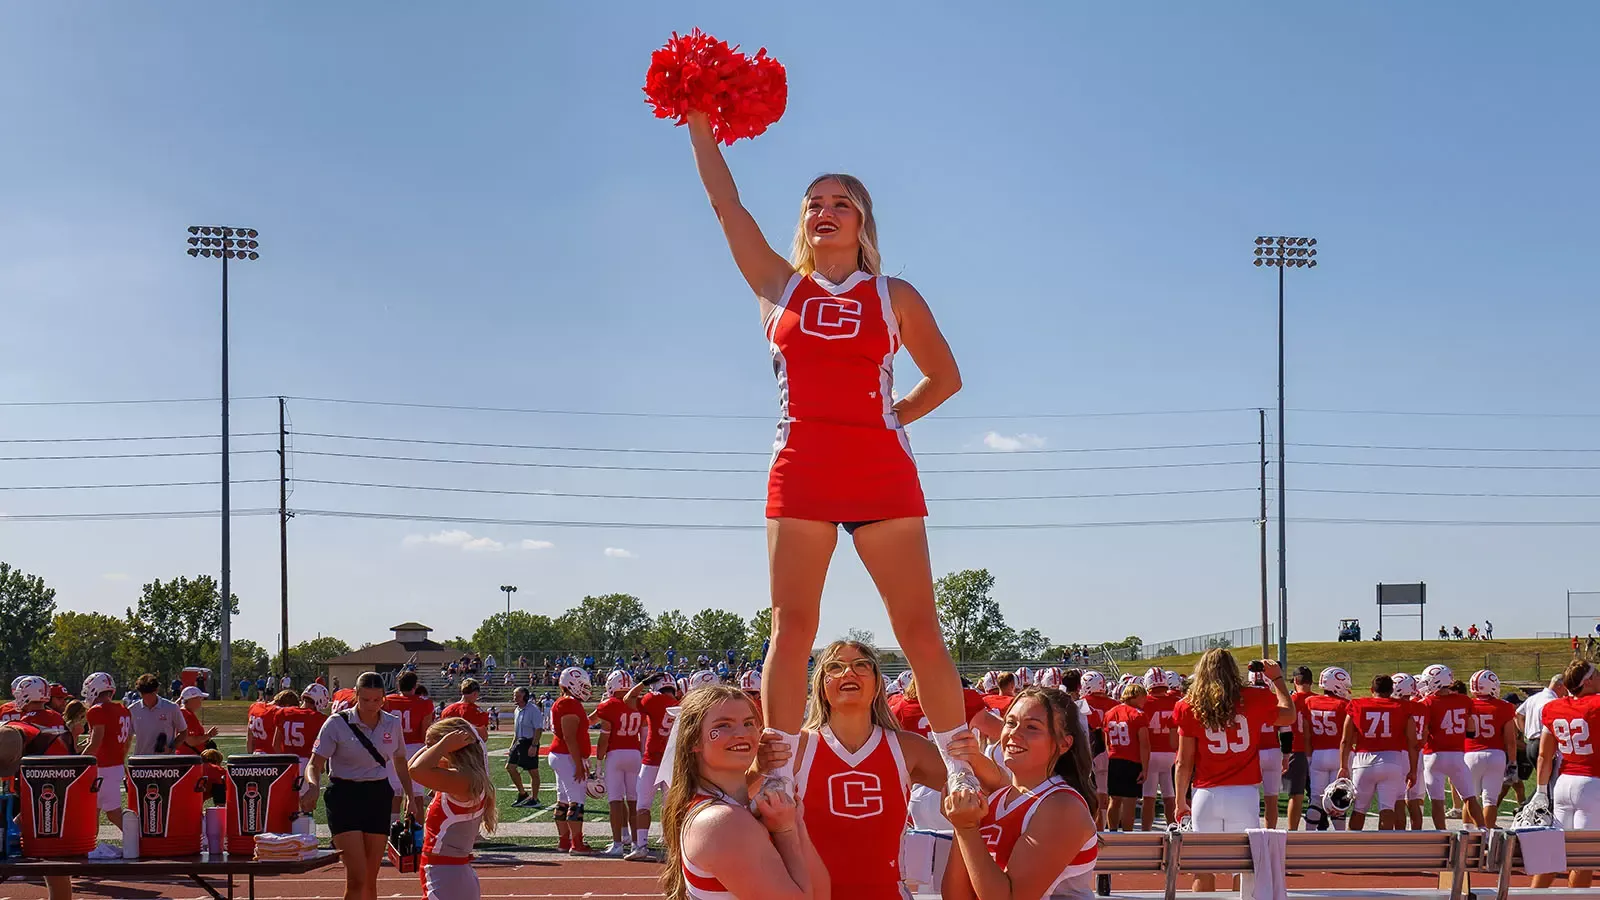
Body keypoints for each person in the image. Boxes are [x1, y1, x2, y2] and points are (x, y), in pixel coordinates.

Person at [685, 113, 978, 809]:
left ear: (863, 222)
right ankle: (779, 767)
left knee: (918, 627)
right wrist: (700, 126)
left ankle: (958, 763)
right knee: (793, 626)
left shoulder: (894, 295)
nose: (825, 210)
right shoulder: (778, 286)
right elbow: (727, 206)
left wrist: (892, 416)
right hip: (803, 466)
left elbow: (946, 377)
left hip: (880, 469)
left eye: (840, 201)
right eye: (813, 202)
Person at [759, 640, 963, 898]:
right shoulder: (796, 748)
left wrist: (970, 759)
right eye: (835, 667)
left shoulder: (908, 748)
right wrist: (757, 767)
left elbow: (984, 792)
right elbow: (741, 807)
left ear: (878, 683)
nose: (848, 672)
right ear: (822, 685)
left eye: (861, 665)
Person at [659, 683, 827, 900]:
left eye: (749, 723)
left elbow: (822, 892)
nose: (742, 733)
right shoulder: (722, 821)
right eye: (724, 725)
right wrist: (786, 832)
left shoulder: (735, 809)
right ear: (693, 740)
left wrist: (795, 824)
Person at [942, 687, 1099, 900]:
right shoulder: (997, 799)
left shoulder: (1062, 806)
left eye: (1032, 727)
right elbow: (955, 896)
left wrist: (966, 828)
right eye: (1010, 722)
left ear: (1064, 743)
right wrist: (961, 823)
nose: (1015, 733)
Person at [1173, 651, 1294, 893]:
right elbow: (1289, 714)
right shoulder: (1255, 697)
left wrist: (1179, 801)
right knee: (1244, 867)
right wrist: (1277, 679)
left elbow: (1183, 762)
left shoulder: (1188, 705)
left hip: (1205, 794)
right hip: (1243, 793)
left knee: (1203, 867)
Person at [304, 672, 422, 900]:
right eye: (365, 699)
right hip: (344, 797)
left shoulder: (392, 723)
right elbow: (314, 763)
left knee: (370, 877)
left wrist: (410, 796)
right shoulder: (336, 723)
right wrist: (312, 785)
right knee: (357, 876)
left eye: (377, 700)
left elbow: (400, 762)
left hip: (378, 795)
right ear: (356, 695)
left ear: (384, 698)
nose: (371, 705)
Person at [409, 717, 499, 900]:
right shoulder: (464, 777)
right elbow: (411, 766)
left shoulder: (463, 780)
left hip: (446, 875)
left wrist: (442, 745)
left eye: (432, 748)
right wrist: (436, 745)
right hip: (450, 872)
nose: (430, 752)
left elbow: (416, 770)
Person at [1532, 660, 1600, 890]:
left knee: (1553, 855)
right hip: (1592, 784)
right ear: (1588, 681)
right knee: (1583, 859)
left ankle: (1532, 895)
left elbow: (1544, 755)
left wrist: (1541, 791)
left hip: (1562, 784)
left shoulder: (1554, 707)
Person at [1, 719, 74, 899]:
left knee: (50, 852)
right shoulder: (7, 736)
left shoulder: (51, 748)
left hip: (55, 799)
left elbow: (48, 804)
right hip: (28, 791)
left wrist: (16, 826)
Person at [1337, 675, 1418, 831]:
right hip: (1391, 760)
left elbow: (1345, 740)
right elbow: (1412, 743)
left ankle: (1353, 847)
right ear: (1392, 690)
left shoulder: (1357, 704)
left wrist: (1343, 765)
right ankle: (1384, 849)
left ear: (1372, 689)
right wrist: (1413, 770)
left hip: (1363, 761)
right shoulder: (1402, 707)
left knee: (1359, 809)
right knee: (1387, 809)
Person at [625, 672, 681, 861]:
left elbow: (628, 699)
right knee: (670, 807)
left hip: (651, 761)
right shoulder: (682, 704)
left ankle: (641, 846)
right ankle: (672, 848)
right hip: (673, 761)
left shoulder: (652, 699)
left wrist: (643, 682)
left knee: (643, 805)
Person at [1417, 665, 1481, 829]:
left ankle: (1442, 834)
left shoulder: (1426, 703)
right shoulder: (1465, 700)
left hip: (1434, 755)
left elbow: (1423, 732)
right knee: (1470, 798)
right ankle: (1485, 832)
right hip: (1457, 755)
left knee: (1438, 802)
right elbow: (1471, 730)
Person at [591, 670, 646, 856]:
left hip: (615, 755)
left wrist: (599, 761)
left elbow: (604, 737)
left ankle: (618, 844)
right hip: (635, 754)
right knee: (634, 802)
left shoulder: (608, 705)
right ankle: (637, 844)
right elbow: (644, 733)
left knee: (615, 801)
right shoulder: (638, 703)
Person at [549, 666, 595, 854]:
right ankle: (577, 843)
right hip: (566, 755)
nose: (585, 688)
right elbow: (569, 737)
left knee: (564, 800)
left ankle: (564, 841)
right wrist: (578, 763)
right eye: (581, 685)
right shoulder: (568, 703)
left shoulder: (566, 702)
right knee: (576, 800)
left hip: (561, 754)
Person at [1464, 669, 1516, 828]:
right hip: (1495, 754)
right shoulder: (1504, 707)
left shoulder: (1466, 704)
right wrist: (1513, 761)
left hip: (1470, 754)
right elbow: (1511, 740)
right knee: (1490, 799)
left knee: (1470, 797)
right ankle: (1487, 836)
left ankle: (1468, 833)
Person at [80, 673, 131, 831]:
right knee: (94, 810)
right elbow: (127, 740)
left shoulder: (97, 710)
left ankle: (138, 840)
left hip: (103, 767)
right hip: (115, 765)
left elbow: (96, 742)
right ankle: (91, 846)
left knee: (110, 813)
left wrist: (79, 763)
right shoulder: (123, 710)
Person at [383, 671, 435, 818]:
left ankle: (393, 830)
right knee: (416, 795)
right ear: (415, 685)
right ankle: (416, 836)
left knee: (395, 794)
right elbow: (425, 732)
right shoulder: (424, 703)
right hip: (415, 749)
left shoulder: (387, 701)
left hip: (392, 749)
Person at [1102, 681, 1150, 832]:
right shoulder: (1138, 715)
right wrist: (1145, 767)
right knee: (1129, 801)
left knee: (1114, 800)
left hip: (1114, 759)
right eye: (1143, 697)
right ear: (1135, 696)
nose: (1145, 700)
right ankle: (1128, 835)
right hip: (1132, 761)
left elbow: (1106, 742)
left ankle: (1113, 832)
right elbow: (1144, 744)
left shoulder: (1109, 713)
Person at [1390, 673, 1428, 830]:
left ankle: (1400, 837)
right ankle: (1417, 836)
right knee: (1414, 800)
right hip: (1418, 755)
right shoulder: (1422, 707)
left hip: (1400, 754)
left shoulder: (1395, 707)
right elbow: (1425, 733)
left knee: (1398, 799)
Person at [1283, 666, 1314, 831]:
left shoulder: (1290, 701)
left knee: (1296, 794)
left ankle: (1293, 832)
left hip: (1296, 749)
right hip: (1317, 751)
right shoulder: (1318, 700)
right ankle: (1316, 830)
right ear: (1312, 682)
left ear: (1296, 681)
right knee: (1317, 795)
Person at [274, 683, 330, 774]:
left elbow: (275, 745)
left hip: (287, 764)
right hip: (307, 766)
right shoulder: (319, 719)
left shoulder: (283, 713)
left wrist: (284, 763)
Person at [507, 687, 544, 808]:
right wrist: (512, 746)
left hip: (529, 742)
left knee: (533, 772)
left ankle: (534, 798)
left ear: (525, 697)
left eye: (517, 696)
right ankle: (522, 794)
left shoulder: (533, 710)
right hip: (519, 743)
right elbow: (516, 732)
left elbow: (538, 729)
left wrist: (533, 745)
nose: (514, 698)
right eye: (514, 696)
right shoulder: (517, 710)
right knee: (510, 767)